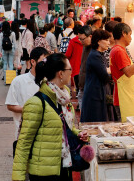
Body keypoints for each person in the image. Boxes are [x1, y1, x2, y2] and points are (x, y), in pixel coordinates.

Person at [12, 53, 89, 181]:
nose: (72, 72)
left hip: (64, 166)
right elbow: (24, 143)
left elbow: (65, 127)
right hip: (44, 173)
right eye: (69, 69)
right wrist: (18, 178)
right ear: (61, 73)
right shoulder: (36, 103)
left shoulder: (64, 98)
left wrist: (78, 133)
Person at [5, 47, 49, 138]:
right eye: (43, 61)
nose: (45, 64)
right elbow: (10, 105)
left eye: (47, 61)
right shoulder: (19, 81)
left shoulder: (49, 82)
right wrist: (30, 110)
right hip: (24, 133)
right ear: (33, 62)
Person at [110, 23, 134, 122]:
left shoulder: (119, 50)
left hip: (128, 96)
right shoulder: (119, 51)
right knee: (128, 130)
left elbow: (131, 69)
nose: (131, 38)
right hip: (124, 99)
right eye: (130, 34)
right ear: (124, 33)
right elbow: (128, 72)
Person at [81, 29, 111, 122]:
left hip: (97, 93)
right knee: (95, 122)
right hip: (94, 94)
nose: (108, 43)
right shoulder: (95, 55)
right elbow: (105, 76)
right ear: (98, 41)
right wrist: (111, 71)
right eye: (106, 40)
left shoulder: (99, 54)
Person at [77, 25, 93, 111]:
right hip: (83, 86)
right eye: (79, 39)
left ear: (90, 36)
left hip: (89, 87)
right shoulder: (85, 46)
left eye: (82, 39)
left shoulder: (95, 49)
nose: (80, 41)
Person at [65, 24, 83, 94]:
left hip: (75, 64)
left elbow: (68, 54)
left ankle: (77, 93)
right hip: (84, 65)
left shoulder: (72, 41)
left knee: (76, 82)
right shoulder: (86, 41)